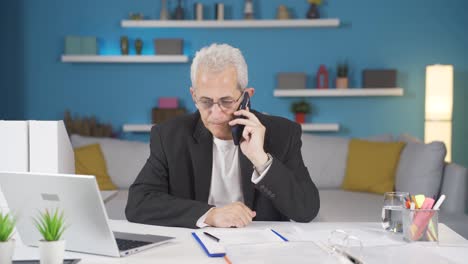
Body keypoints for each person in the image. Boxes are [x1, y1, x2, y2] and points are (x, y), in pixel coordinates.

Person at [126, 43, 320, 228]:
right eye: (205, 101)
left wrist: (261, 160)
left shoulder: (283, 133)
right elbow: (138, 203)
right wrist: (210, 215)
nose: (216, 113)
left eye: (226, 101)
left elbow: (306, 210)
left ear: (246, 97)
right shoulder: (168, 136)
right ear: (194, 96)